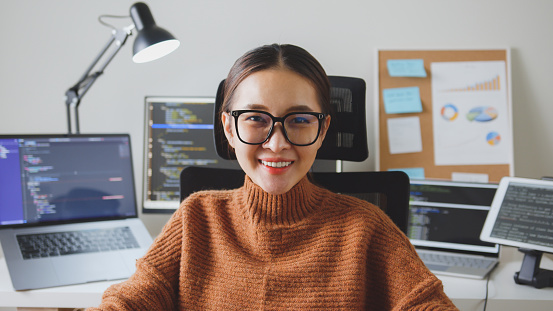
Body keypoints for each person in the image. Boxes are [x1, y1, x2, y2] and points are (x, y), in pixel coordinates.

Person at [88, 44, 458, 310]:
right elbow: (136, 296)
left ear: (323, 128)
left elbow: (425, 303)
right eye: (256, 119)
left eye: (299, 120)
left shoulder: (365, 228)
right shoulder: (196, 217)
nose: (277, 144)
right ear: (229, 129)